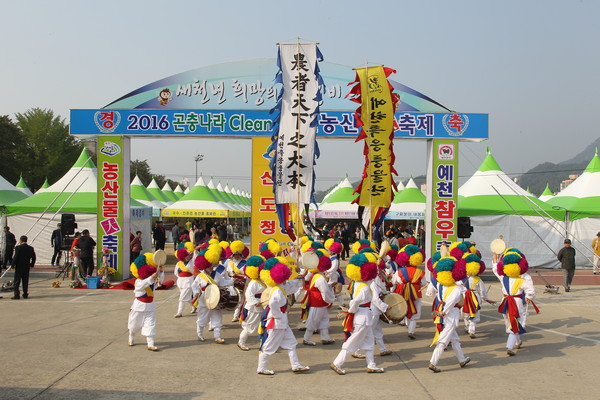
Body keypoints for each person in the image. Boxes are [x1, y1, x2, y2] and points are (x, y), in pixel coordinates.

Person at [331, 252, 385, 375]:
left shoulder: (359, 284)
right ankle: (337, 363)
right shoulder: (365, 287)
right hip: (363, 317)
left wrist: (352, 311)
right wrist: (351, 311)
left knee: (370, 342)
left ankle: (371, 365)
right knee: (352, 342)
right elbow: (355, 302)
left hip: (364, 316)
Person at [493, 248, 537, 356]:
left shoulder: (503, 277)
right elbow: (530, 289)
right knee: (515, 323)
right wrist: (529, 296)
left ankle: (517, 342)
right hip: (516, 302)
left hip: (505, 301)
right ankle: (510, 346)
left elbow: (495, 269)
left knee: (510, 322)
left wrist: (495, 256)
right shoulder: (522, 279)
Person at [128, 255, 163, 351]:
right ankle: (131, 336)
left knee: (150, 324)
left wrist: (160, 272)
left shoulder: (151, 282)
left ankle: (150, 344)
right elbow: (144, 284)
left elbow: (159, 282)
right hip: (139, 306)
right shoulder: (138, 282)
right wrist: (152, 277)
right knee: (134, 324)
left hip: (150, 306)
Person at [11, 235, 36, 300]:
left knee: (17, 281)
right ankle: (25, 294)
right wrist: (31, 264)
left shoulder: (18, 248)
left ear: (21, 241)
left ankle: (16, 295)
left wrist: (12, 265)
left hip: (19, 266)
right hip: (26, 266)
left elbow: (15, 257)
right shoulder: (30, 248)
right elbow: (33, 257)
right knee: (25, 281)